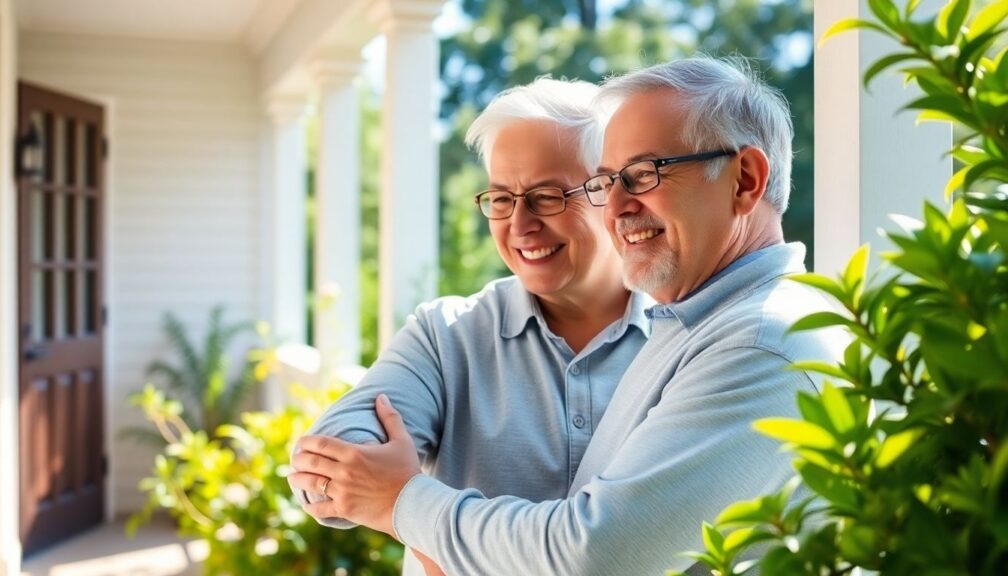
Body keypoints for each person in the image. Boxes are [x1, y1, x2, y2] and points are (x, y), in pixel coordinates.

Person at [289, 56, 850, 575]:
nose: (621, 204)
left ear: (746, 180)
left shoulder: (756, 342)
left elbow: (593, 553)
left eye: (643, 174)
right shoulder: (686, 324)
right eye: (610, 182)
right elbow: (332, 470)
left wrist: (405, 503)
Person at [288, 78, 653, 575]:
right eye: (501, 199)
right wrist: (370, 483)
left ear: (608, 191)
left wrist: (402, 501)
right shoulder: (445, 335)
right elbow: (324, 470)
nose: (519, 224)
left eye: (546, 197)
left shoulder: (682, 339)